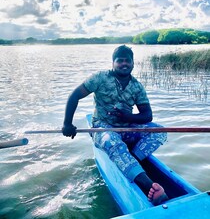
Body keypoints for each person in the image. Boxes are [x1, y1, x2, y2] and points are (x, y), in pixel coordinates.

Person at [62, 45, 168, 205]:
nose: (124, 64)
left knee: (159, 131)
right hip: (102, 128)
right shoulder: (100, 78)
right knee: (112, 140)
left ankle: (132, 159)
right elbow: (74, 96)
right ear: (113, 62)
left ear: (133, 63)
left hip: (127, 127)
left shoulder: (137, 86)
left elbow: (147, 115)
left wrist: (128, 116)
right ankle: (149, 187)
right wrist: (67, 123)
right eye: (120, 61)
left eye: (128, 61)